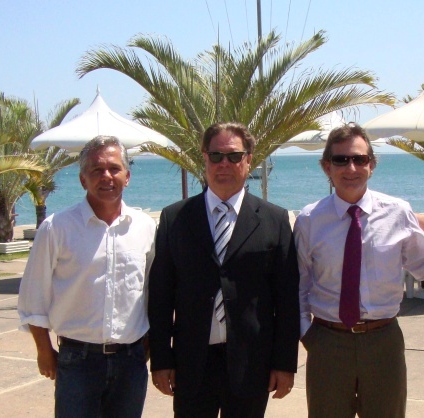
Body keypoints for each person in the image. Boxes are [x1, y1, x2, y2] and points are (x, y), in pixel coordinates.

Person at [295, 123, 424, 418]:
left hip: (383, 342)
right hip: (328, 342)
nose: (351, 168)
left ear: (372, 165)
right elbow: (299, 284)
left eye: (360, 159)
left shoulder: (398, 212)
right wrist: (308, 334)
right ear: (327, 167)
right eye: (341, 160)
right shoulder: (309, 220)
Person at [148, 122, 299, 417]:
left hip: (251, 364)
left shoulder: (275, 220)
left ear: (249, 159)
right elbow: (161, 296)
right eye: (216, 156)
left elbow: (287, 300)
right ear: (205, 157)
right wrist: (161, 360)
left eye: (234, 156)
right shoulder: (174, 219)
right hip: (191, 363)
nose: (224, 164)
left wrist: (284, 364)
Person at [17, 136, 156, 418]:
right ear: (83, 180)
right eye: (96, 170)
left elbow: (153, 291)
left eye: (114, 169)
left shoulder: (145, 227)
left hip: (131, 362)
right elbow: (33, 296)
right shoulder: (57, 228)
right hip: (77, 361)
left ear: (127, 177)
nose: (106, 176)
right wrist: (44, 350)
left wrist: (149, 343)